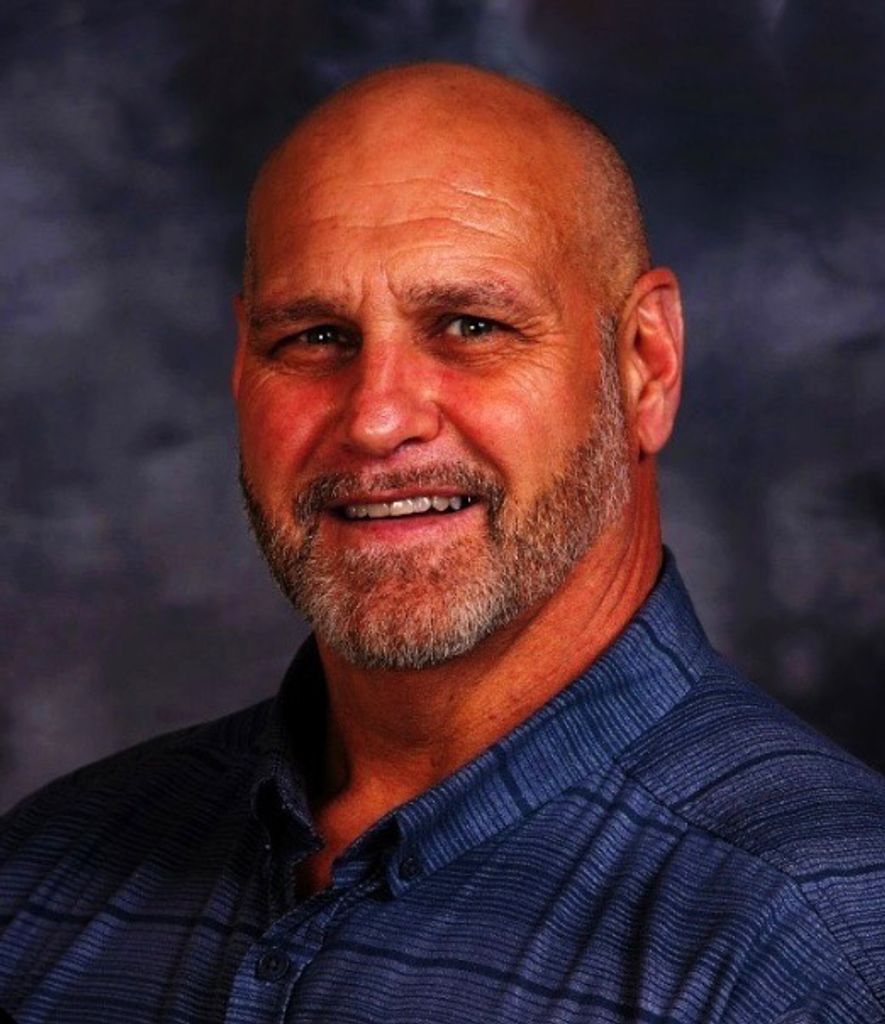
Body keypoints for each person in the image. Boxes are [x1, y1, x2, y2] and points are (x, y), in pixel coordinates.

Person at [1, 62, 884, 1024]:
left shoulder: (824, 941)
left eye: (471, 324)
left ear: (644, 364)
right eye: (314, 336)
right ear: (242, 365)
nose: (376, 419)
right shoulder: (43, 876)